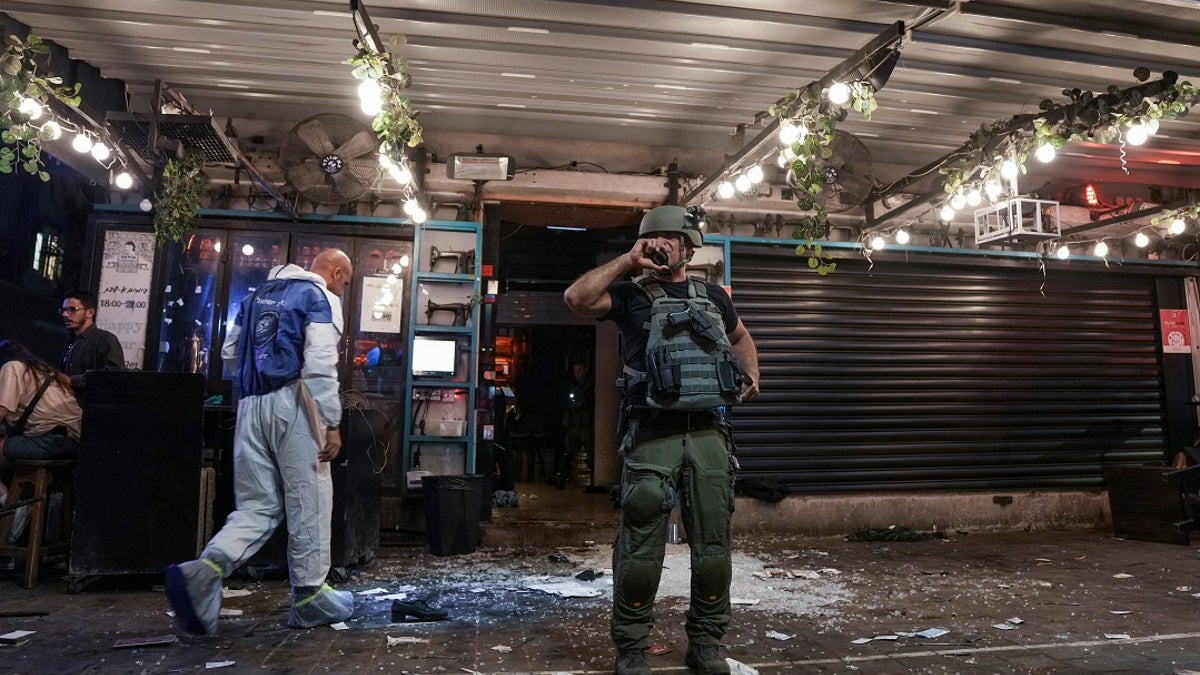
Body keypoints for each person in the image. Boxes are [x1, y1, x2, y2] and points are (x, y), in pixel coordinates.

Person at [563, 205, 760, 675]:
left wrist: (752, 372)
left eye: (673, 238)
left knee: (714, 544)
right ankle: (631, 646)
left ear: (689, 247)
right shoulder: (630, 297)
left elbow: (740, 337)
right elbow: (576, 297)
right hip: (652, 433)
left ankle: (706, 644)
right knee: (640, 547)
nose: (663, 244)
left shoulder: (714, 296)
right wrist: (629, 261)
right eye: (656, 237)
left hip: (709, 433)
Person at [164, 249, 355, 635]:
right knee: (310, 497)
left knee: (257, 506)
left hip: (250, 404)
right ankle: (310, 597)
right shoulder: (319, 297)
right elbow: (319, 364)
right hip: (295, 401)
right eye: (345, 283)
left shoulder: (254, 297)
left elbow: (230, 351)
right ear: (335, 273)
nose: (343, 289)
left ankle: (204, 572)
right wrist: (332, 421)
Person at [0, 340, 82, 541]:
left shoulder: (12, 367)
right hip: (72, 443)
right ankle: (12, 537)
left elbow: (1, 411)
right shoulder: (43, 371)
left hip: (52, 441)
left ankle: (11, 507)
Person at [59, 290, 125, 390]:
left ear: (90, 313)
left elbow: (114, 374)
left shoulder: (104, 339)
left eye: (72, 309)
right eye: (63, 310)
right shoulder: (71, 341)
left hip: (90, 404)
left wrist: (72, 381)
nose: (65, 314)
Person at [547, 358, 595, 489]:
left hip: (587, 423)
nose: (577, 373)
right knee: (569, 451)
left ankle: (595, 480)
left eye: (580, 370)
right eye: (575, 371)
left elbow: (583, 402)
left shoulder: (590, 385)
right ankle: (560, 476)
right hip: (577, 423)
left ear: (585, 370)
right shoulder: (577, 385)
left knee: (590, 452)